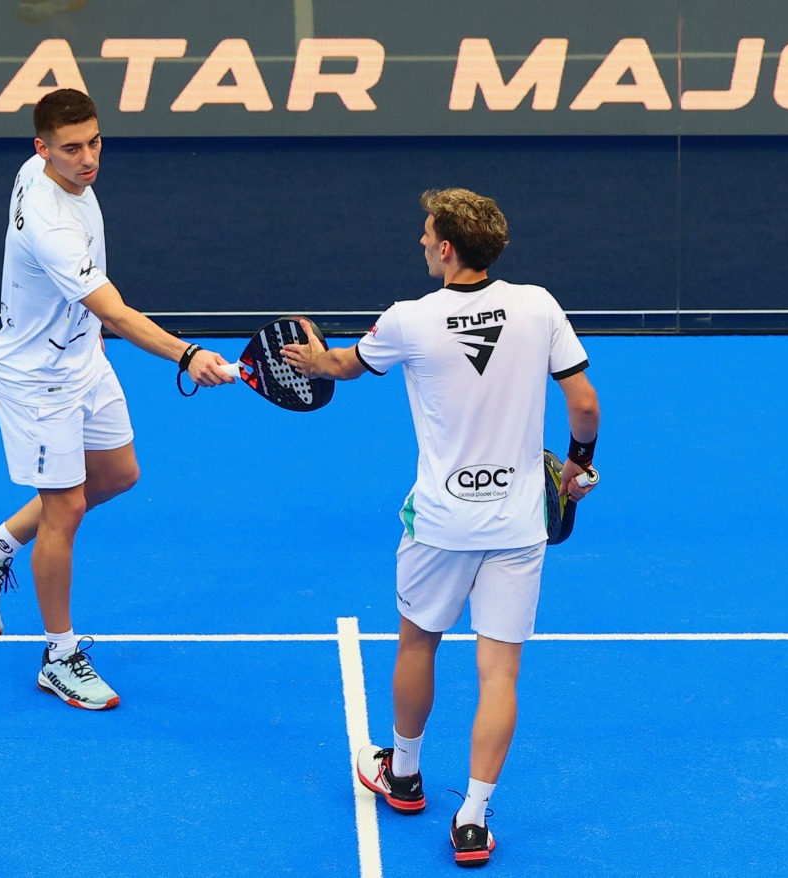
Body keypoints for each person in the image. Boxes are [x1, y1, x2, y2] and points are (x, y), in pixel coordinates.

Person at [282, 188, 601, 868]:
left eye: (427, 234)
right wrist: (577, 467)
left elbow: (342, 366)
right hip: (518, 524)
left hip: (440, 524)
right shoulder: (540, 305)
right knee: (500, 674)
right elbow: (584, 403)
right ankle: (475, 817)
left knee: (418, 642)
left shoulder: (409, 320)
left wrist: (311, 361)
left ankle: (403, 773)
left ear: (448, 248)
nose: (422, 243)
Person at [0, 87, 234, 710]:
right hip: (39, 379)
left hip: (83, 358)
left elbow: (103, 322)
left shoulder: (39, 170)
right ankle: (59, 655)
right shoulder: (50, 224)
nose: (87, 158)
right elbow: (119, 315)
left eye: (94, 142)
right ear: (42, 149)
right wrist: (188, 354)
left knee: (119, 473)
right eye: (71, 148)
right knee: (66, 509)